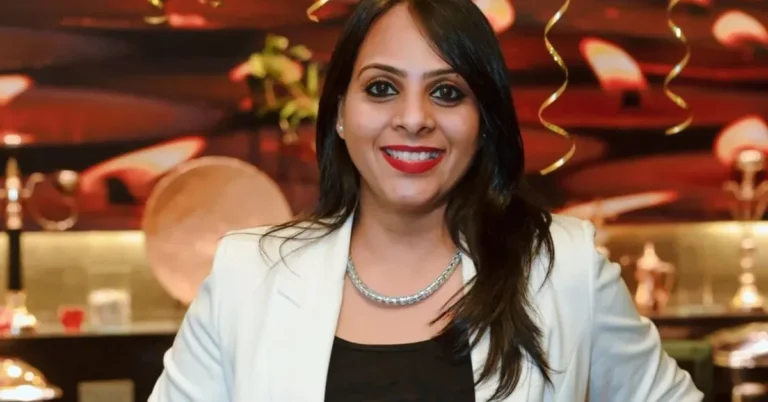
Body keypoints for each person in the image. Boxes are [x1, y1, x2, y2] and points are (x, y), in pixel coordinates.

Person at [149, 0, 704, 400]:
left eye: (447, 92)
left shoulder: (566, 268)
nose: (414, 118)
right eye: (382, 88)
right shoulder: (248, 274)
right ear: (340, 113)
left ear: (482, 122)